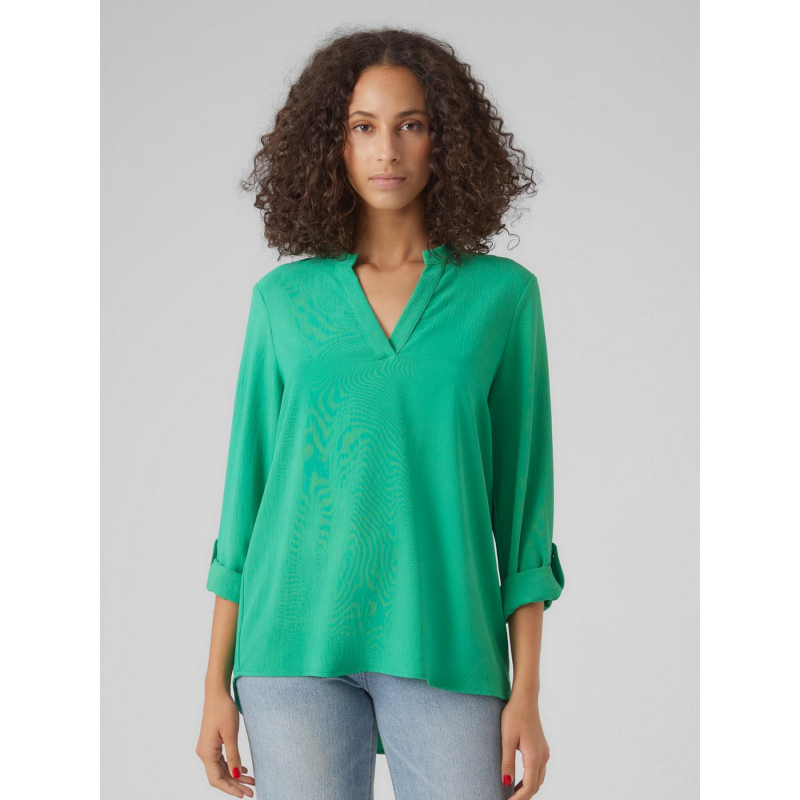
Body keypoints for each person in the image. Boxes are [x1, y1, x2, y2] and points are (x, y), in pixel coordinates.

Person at [196, 26, 565, 800]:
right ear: (331, 144)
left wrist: (526, 691)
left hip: (448, 640)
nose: (386, 150)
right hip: (290, 646)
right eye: (362, 127)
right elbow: (246, 497)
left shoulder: (502, 298)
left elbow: (523, 512)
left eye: (411, 125)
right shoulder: (284, 302)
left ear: (445, 141)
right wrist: (213, 685)